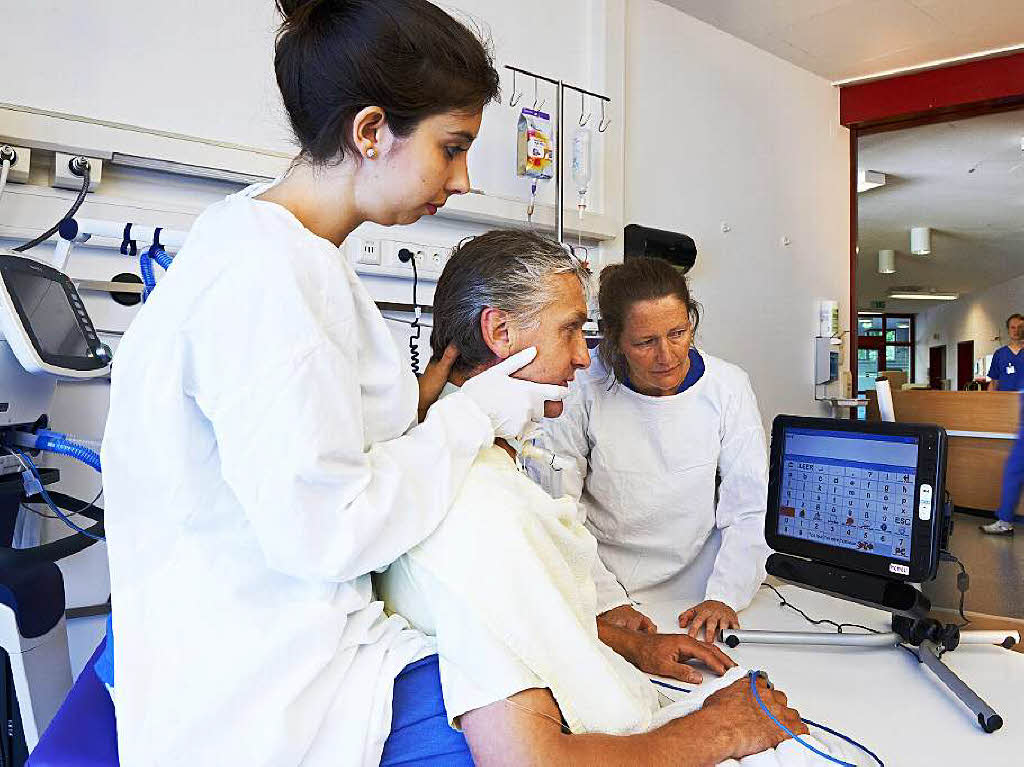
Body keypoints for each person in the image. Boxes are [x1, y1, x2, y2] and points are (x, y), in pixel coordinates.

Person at [99, 3, 568, 765]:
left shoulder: (278, 240)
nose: (463, 178)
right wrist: (469, 419)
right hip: (265, 690)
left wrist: (422, 411)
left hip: (287, 630)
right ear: (372, 130)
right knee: (545, 714)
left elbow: (311, 439)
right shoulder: (266, 276)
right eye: (451, 148)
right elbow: (326, 528)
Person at [377, 230, 813, 766]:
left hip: (651, 623)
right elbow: (529, 760)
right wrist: (719, 731)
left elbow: (528, 628)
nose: (584, 360)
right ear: (499, 331)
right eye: (569, 332)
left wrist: (631, 646)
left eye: (678, 333)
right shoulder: (481, 512)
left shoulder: (460, 468)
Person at [535, 256, 772, 642]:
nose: (667, 356)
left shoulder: (727, 386)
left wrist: (725, 595)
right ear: (613, 338)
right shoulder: (580, 386)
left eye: (677, 333)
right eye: (645, 342)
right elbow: (558, 509)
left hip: (704, 587)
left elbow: (749, 505)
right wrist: (607, 600)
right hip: (604, 585)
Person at [981, 313, 1024, 535]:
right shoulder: (1000, 354)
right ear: (1008, 330)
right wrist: (990, 407)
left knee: (1014, 470)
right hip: (1006, 413)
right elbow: (993, 383)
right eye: (1013, 327)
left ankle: (1005, 520)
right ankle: (1005, 519)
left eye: (1020, 327)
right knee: (1013, 471)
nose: (1017, 331)